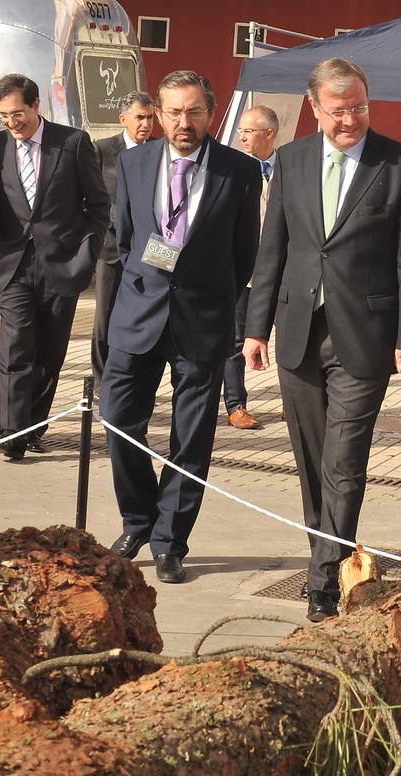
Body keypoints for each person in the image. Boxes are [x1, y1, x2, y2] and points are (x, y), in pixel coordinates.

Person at [244, 57, 401, 623]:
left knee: (345, 462)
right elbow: (273, 249)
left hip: (366, 338)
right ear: (314, 108)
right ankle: (325, 555)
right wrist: (256, 327)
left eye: (359, 107)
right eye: (338, 109)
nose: (350, 118)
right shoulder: (292, 161)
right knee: (310, 460)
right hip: (298, 332)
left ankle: (324, 583)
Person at [102, 70, 261, 585]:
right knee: (117, 419)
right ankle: (138, 519)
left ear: (209, 114)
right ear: (159, 113)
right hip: (139, 312)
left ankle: (170, 540)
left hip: (203, 318)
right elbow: (126, 240)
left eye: (193, 111)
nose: (183, 122)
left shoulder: (239, 171)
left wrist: (213, 297)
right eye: (173, 111)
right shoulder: (133, 161)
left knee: (190, 438)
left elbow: (245, 254)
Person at [0, 74, 109, 460]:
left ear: (36, 106)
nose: (11, 122)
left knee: (50, 352)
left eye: (17, 113)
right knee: (17, 343)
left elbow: (98, 205)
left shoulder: (71, 143)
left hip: (62, 264)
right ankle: (12, 432)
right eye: (4, 115)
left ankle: (34, 425)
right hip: (12, 265)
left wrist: (87, 253)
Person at [90, 90, 154, 393]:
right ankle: (103, 385)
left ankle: (136, 382)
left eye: (150, 117)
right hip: (112, 249)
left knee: (144, 319)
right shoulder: (102, 150)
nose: (146, 123)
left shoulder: (159, 150)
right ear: (123, 119)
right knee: (105, 319)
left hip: (150, 252)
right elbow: (93, 199)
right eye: (139, 117)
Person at [223, 104, 279, 431]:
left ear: (269, 133)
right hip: (244, 270)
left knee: (291, 338)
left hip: (284, 270)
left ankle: (297, 401)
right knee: (236, 339)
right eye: (240, 131)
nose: (242, 137)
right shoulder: (232, 169)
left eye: (249, 131)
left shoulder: (288, 166)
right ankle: (236, 404)